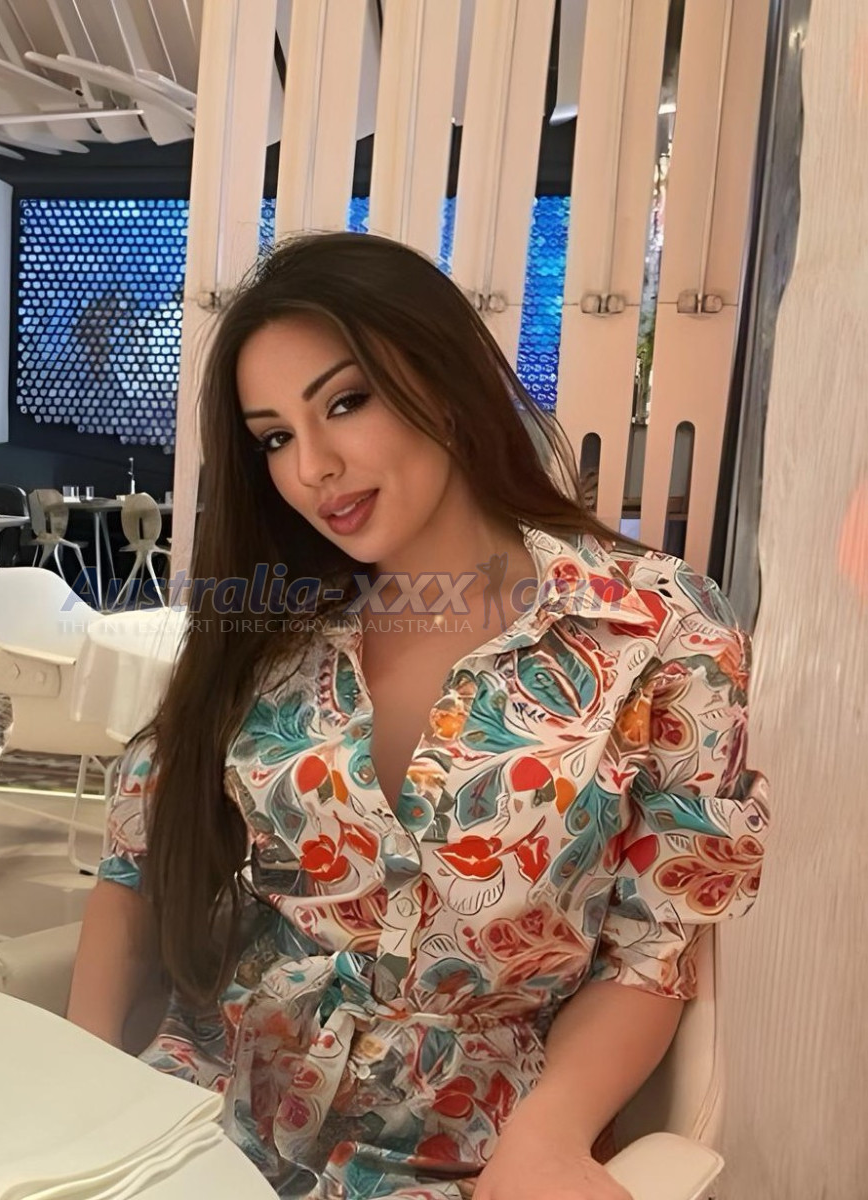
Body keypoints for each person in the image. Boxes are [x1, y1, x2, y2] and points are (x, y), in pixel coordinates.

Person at [67, 232, 771, 1200]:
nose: (313, 467)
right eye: (274, 437)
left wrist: (551, 1136)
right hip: (207, 1111)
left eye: (344, 402)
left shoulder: (657, 627)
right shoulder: (269, 620)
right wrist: (78, 1084)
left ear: (441, 382)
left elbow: (654, 948)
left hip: (469, 1149)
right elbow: (139, 859)